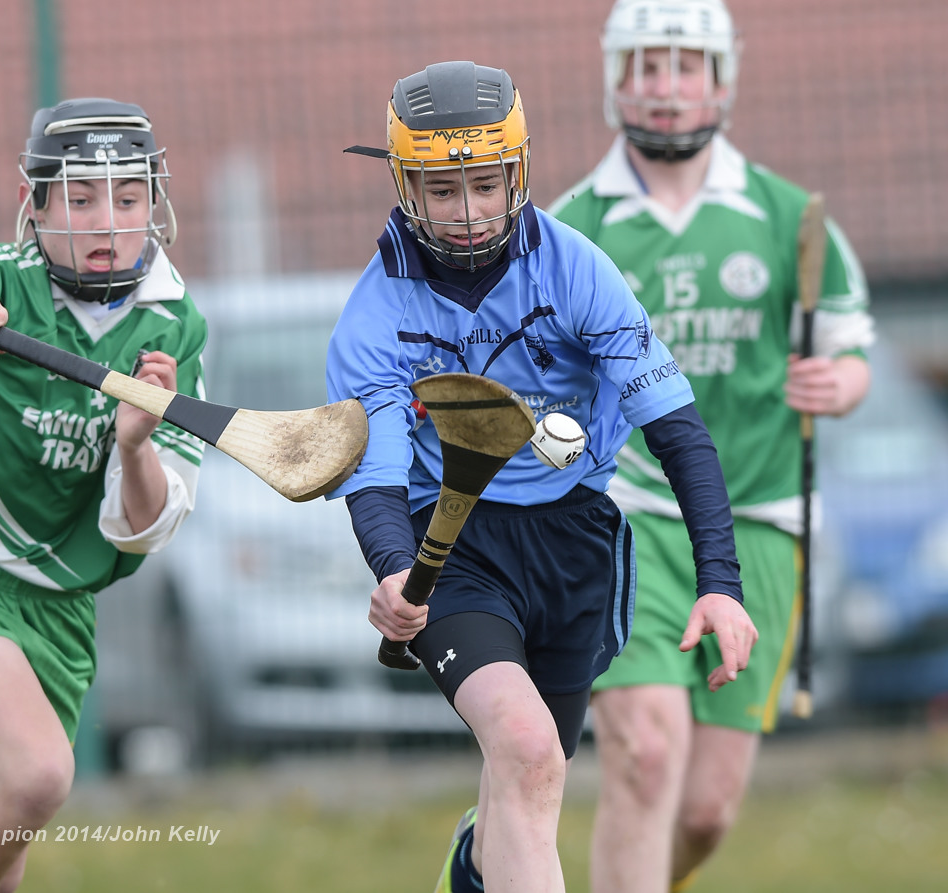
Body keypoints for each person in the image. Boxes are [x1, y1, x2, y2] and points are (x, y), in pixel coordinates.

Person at [328, 61, 759, 893]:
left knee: (530, 776)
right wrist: (391, 568)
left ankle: (473, 860)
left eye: (484, 185)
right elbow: (375, 475)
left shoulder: (578, 270)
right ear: (405, 186)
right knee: (526, 750)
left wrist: (720, 581)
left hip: (573, 541)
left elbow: (677, 432)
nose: (465, 213)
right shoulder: (375, 315)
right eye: (440, 190)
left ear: (517, 173)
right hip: (450, 547)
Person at [547, 3, 874, 891]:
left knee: (704, 810)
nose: (665, 85)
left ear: (721, 79)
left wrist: (836, 385)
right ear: (616, 79)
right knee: (645, 753)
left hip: (762, 517)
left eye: (685, 64)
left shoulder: (791, 218)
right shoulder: (575, 228)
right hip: (632, 513)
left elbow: (850, 357)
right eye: (646, 65)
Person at [0, 97, 207, 893]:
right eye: (81, 199)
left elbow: (142, 527)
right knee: (38, 776)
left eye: (126, 198)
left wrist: (134, 445)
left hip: (59, 605)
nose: (106, 222)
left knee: (0, 862)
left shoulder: (174, 326)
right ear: (38, 204)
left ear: (153, 206)